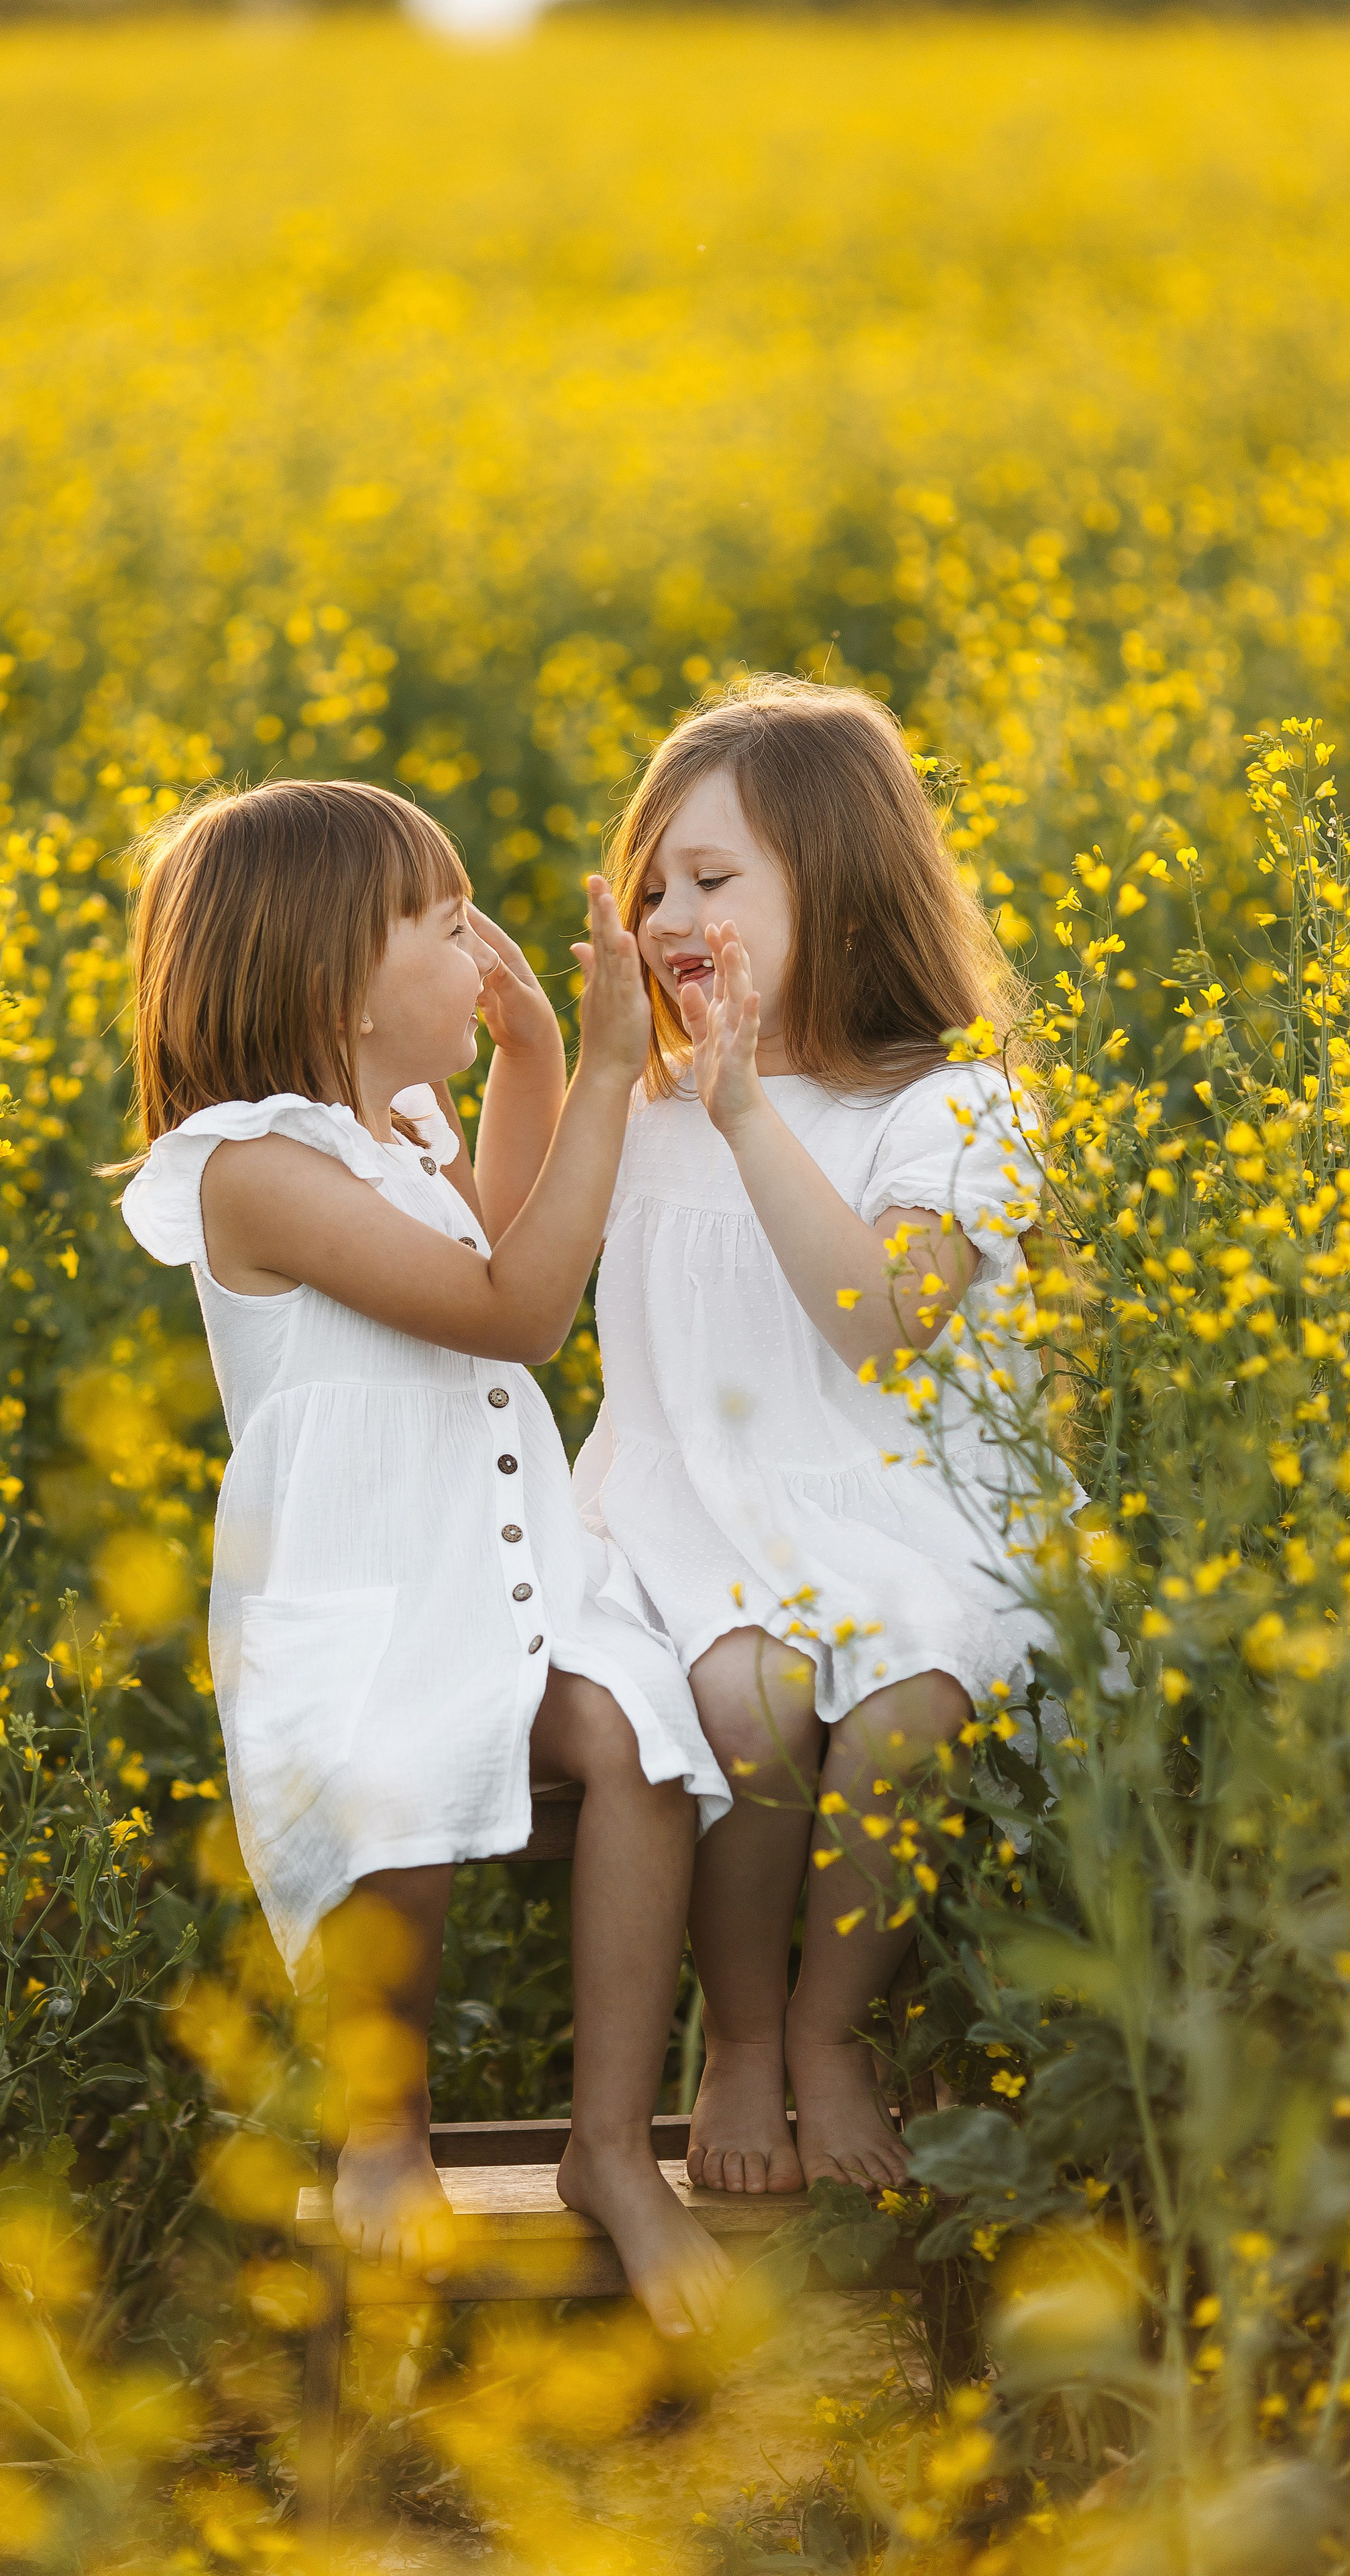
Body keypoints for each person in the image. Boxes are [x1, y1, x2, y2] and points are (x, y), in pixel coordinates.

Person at [114, 778, 732, 2337]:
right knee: (389, 1775)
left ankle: (610, 2147)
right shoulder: (252, 1168)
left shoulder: (393, 1134)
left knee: (640, 1747)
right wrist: (598, 1070)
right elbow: (518, 1307)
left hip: (508, 1568)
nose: (483, 949)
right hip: (368, 1593)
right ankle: (380, 2125)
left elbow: (502, 1230)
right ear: (332, 979)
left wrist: (531, 1056)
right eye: (445, 926)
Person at [574, 675, 1049, 2200]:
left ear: (838, 892)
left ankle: (834, 2031)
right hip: (689, 1508)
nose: (667, 912)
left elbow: (881, 1323)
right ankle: (744, 2033)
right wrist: (565, 1058)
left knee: (905, 1699)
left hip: (896, 1505)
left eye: (711, 879)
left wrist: (746, 1117)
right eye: (651, 882)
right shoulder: (639, 1104)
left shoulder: (946, 1111)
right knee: (756, 1701)